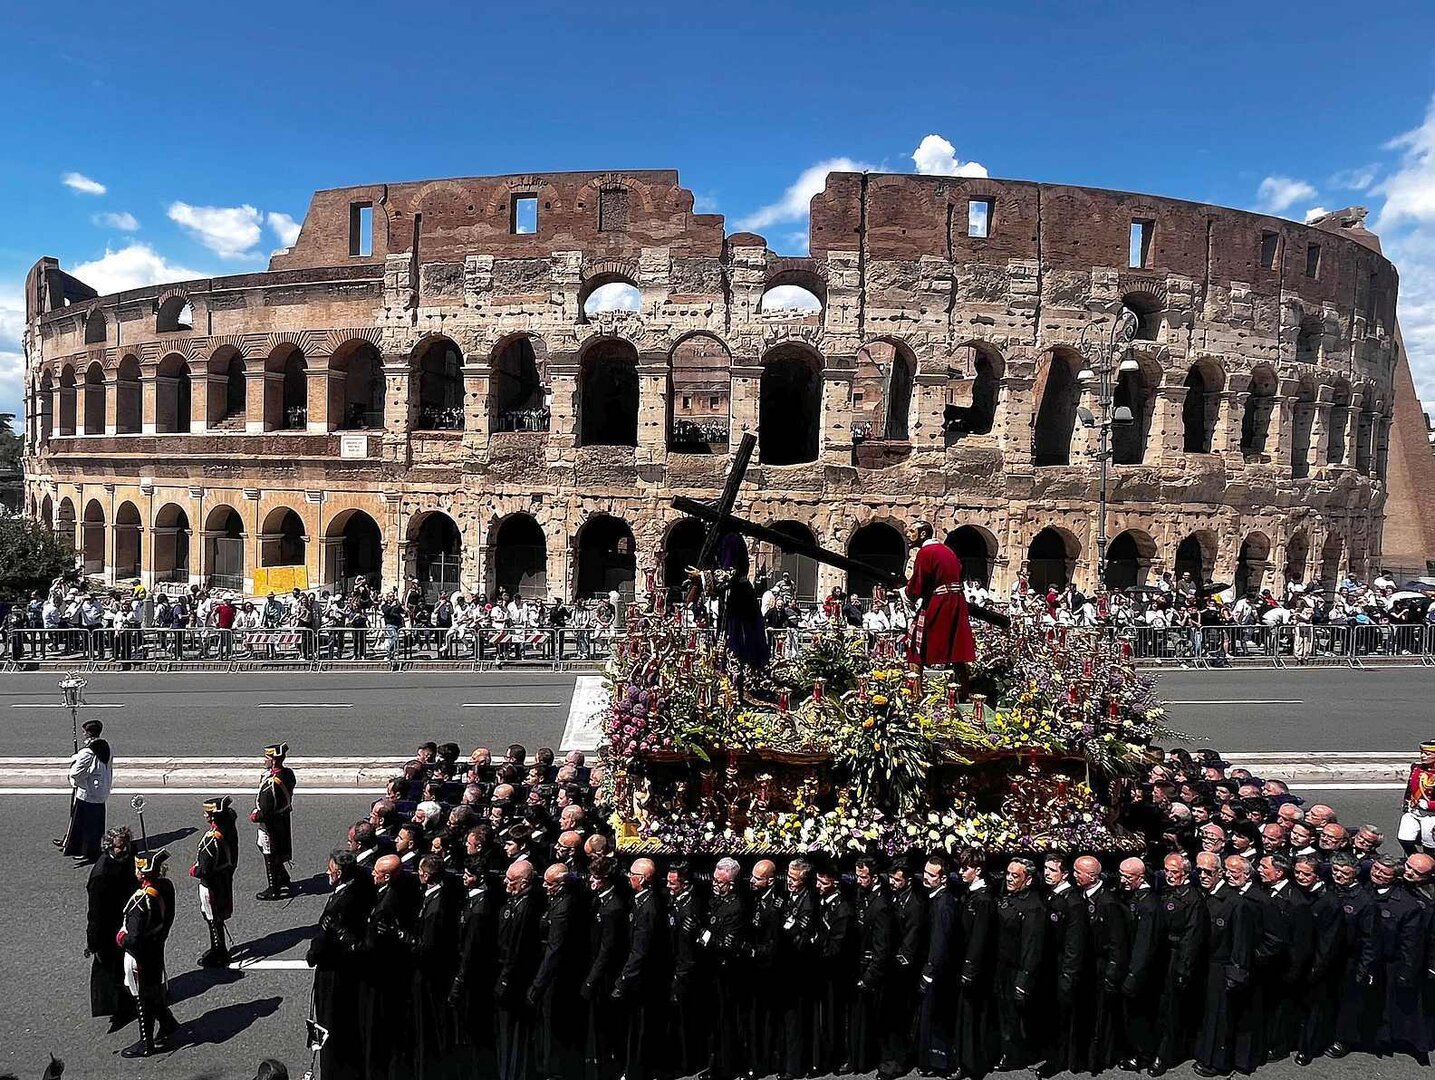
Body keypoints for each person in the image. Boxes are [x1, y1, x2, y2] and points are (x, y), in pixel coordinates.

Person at [306, 849, 373, 1080]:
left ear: (340, 873)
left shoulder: (339, 903)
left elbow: (323, 941)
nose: (328, 872)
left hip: (334, 970)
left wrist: (312, 955)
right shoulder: (362, 883)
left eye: (331, 869)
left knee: (329, 1021)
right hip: (351, 967)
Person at [118, 849, 179, 1058]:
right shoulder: (165, 887)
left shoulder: (140, 901)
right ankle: (167, 1022)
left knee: (141, 995)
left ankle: (147, 1041)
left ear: (143, 873)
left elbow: (133, 938)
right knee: (153, 988)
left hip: (139, 954)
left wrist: (121, 939)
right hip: (156, 946)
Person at [1152, 852, 1208, 1075]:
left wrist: (1183, 969)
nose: (1169, 875)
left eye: (1174, 871)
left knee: (1171, 1011)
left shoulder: (1192, 899)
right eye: (1166, 870)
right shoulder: (1165, 892)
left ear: (1185, 873)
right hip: (1162, 954)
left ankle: (1164, 1055)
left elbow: (1191, 938)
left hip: (1177, 957)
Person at [1074, 854, 1128, 1074]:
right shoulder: (1082, 896)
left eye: (1079, 872)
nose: (1075, 875)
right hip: (1087, 963)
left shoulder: (1108, 902)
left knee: (1101, 1015)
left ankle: (1098, 1059)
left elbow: (1117, 942)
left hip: (1102, 965)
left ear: (1093, 876)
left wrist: (1112, 972)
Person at [1038, 854, 1089, 1079]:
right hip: (1050, 964)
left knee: (1062, 1017)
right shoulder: (1052, 896)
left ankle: (1059, 1059)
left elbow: (1074, 944)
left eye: (1052, 870)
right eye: (1045, 869)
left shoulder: (1073, 902)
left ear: (1064, 874)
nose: (1047, 873)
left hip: (1063, 967)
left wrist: (1068, 974)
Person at [904, 520, 976, 676]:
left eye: (912, 532)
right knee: (956, 647)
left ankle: (914, 693)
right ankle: (962, 689)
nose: (908, 536)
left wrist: (907, 593)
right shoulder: (948, 551)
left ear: (923, 534)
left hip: (939, 602)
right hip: (957, 601)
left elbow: (918, 582)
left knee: (916, 645)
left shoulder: (926, 552)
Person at [994, 858, 1047, 1071]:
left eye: (1015, 875)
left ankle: (1013, 1055)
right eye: (1008, 873)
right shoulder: (1008, 896)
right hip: (1002, 967)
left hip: (1016, 969)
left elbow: (1032, 947)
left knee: (1013, 1016)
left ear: (1029, 879)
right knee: (1003, 1012)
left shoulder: (1034, 907)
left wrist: (1024, 979)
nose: (1009, 878)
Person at [532, 863, 583, 1080]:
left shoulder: (564, 908)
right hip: (551, 970)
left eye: (549, 883)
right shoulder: (556, 901)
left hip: (557, 976)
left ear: (561, 886)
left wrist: (538, 984)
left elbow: (555, 949)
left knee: (554, 1024)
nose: (544, 886)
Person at [411, 854, 460, 1080]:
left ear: (426, 875)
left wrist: (407, 941)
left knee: (429, 1022)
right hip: (438, 969)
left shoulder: (435, 906)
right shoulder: (440, 894)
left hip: (431, 973)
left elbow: (427, 945)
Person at [614, 858, 663, 1080]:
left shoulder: (648, 907)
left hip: (641, 979)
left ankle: (637, 1071)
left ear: (642, 879)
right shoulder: (639, 901)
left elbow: (640, 949)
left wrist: (624, 979)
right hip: (637, 976)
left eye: (632, 874)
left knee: (640, 1027)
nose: (628, 877)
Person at [495, 860, 542, 1080]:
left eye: (511, 880)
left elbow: (517, 947)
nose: (506, 883)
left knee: (515, 1034)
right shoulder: (515, 902)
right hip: (507, 973)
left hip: (516, 980)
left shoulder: (527, 906)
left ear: (524, 883)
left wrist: (505, 979)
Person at [86, 826, 136, 1032]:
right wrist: (93, 942)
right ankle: (121, 1009)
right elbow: (96, 914)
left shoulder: (126, 858)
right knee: (113, 971)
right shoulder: (101, 874)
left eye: (126, 845)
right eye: (119, 847)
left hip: (127, 919)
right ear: (108, 847)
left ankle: (132, 997)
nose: (123, 850)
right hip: (109, 928)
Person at [851, 854, 893, 1073]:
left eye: (863, 876)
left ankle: (882, 1062)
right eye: (857, 876)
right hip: (861, 966)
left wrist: (869, 977)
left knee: (878, 1020)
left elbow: (882, 948)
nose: (859, 880)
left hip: (873, 974)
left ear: (875, 877)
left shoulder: (882, 906)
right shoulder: (863, 895)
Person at [1118, 856, 1161, 1072]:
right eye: (1121, 875)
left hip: (1141, 972)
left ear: (1140, 877)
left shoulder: (1148, 904)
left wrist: (1134, 974)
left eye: (1128, 876)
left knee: (1140, 1016)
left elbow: (1145, 944)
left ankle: (1144, 1055)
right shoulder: (1134, 896)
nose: (1123, 880)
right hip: (1131, 966)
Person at [916, 854, 957, 1077]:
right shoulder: (935, 899)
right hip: (935, 969)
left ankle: (938, 1064)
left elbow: (939, 942)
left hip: (938, 973)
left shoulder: (943, 904)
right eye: (925, 872)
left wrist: (929, 972)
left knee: (936, 1019)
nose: (926, 877)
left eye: (932, 875)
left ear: (943, 879)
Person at [666, 862, 707, 1079]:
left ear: (686, 885)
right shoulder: (675, 901)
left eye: (673, 883)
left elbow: (687, 946)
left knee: (685, 1020)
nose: (669, 886)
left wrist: (680, 974)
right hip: (676, 965)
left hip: (684, 971)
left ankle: (686, 1063)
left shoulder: (690, 908)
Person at [191, 796, 236, 967]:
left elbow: (203, 869)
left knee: (212, 917)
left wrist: (194, 870)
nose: (205, 816)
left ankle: (219, 950)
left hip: (211, 883)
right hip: (223, 878)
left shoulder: (211, 840)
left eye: (208, 814)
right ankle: (218, 948)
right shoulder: (228, 827)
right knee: (216, 915)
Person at [61, 719, 112, 863]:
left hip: (87, 793)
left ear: (88, 733)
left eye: (84, 732)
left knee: (83, 824)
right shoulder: (106, 746)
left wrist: (75, 782)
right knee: (96, 824)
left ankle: (84, 850)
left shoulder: (88, 752)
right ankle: (93, 848)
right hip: (101, 792)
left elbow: (77, 773)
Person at [253, 741, 296, 900]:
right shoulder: (288, 773)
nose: (264, 760)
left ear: (274, 760)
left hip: (271, 822)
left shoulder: (272, 783)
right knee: (270, 847)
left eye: (267, 757)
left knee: (269, 852)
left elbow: (265, 810)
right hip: (283, 817)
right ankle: (282, 876)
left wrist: (255, 816)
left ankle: (274, 887)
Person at [1398, 740, 1435, 855]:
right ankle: (1415, 860)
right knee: (1404, 838)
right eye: (1422, 753)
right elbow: (1410, 788)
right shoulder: (1416, 768)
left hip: (1431, 814)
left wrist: (1429, 805)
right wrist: (1406, 801)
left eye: (1428, 754)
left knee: (1429, 845)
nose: (1423, 756)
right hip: (1413, 810)